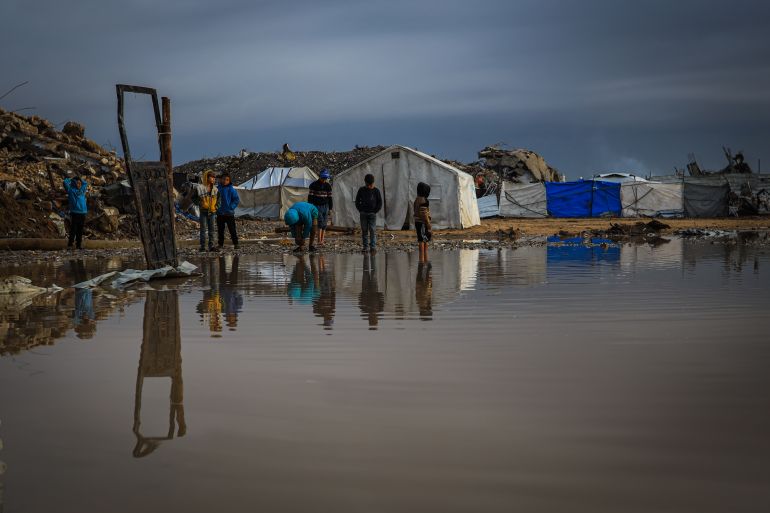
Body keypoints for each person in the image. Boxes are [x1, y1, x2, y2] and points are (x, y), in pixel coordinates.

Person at [355, 173, 383, 253]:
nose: (369, 186)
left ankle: (373, 247)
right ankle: (365, 247)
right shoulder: (361, 190)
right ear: (365, 183)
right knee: (364, 230)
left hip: (372, 214)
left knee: (372, 230)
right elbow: (357, 201)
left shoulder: (376, 191)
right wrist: (360, 209)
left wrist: (375, 211)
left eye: (371, 185)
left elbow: (379, 202)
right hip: (363, 213)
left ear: (373, 183)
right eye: (368, 184)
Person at [308, 169, 333, 246]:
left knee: (325, 223)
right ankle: (319, 240)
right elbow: (310, 197)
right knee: (320, 222)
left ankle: (322, 240)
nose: (324, 180)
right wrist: (310, 207)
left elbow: (330, 198)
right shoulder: (313, 185)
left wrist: (330, 208)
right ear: (320, 177)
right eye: (323, 178)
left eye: (326, 178)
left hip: (325, 206)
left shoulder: (328, 186)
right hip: (316, 206)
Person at [194, 169, 218, 251]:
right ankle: (203, 246)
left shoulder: (215, 189)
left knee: (212, 230)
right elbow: (193, 197)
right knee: (203, 230)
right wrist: (200, 203)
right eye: (212, 177)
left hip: (212, 212)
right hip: (203, 211)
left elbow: (219, 200)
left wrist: (216, 207)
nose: (214, 179)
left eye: (214, 178)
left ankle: (211, 246)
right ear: (206, 177)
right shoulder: (200, 188)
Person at [216, 173, 240, 250]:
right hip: (220, 213)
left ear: (229, 181)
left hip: (229, 214)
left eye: (227, 180)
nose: (225, 181)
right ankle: (220, 244)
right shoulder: (217, 189)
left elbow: (236, 200)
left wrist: (231, 207)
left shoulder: (231, 189)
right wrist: (216, 208)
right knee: (220, 230)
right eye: (224, 179)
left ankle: (236, 244)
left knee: (232, 230)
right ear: (221, 179)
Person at [63, 175, 88, 249]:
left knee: (80, 230)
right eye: (77, 183)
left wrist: (79, 179)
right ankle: (70, 244)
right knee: (73, 229)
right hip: (75, 213)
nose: (79, 184)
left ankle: (78, 245)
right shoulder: (71, 190)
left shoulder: (82, 190)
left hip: (83, 213)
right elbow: (65, 182)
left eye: (80, 183)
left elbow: (85, 183)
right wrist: (71, 179)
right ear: (74, 183)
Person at [414, 182, 432, 262]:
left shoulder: (417, 199)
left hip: (417, 221)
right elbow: (424, 214)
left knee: (421, 238)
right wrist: (428, 225)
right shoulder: (424, 200)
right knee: (423, 239)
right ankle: (423, 258)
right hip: (423, 222)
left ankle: (422, 258)